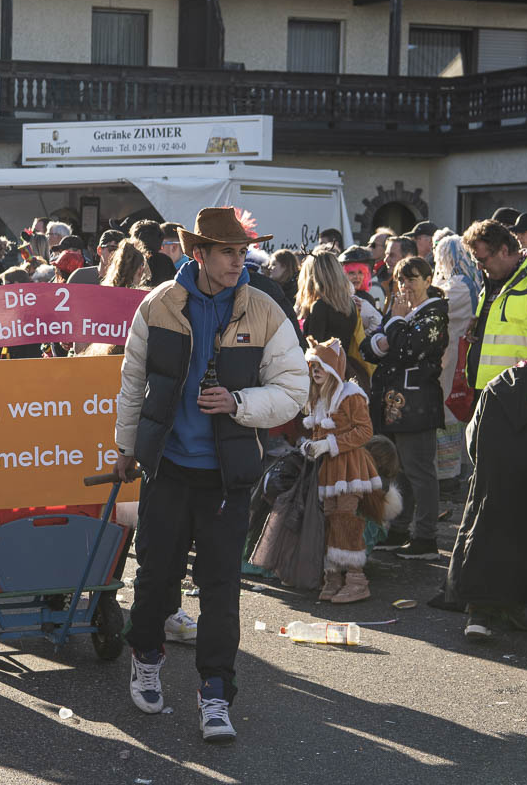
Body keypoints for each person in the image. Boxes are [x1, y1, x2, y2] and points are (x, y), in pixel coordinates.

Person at [113, 207, 308, 743]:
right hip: (169, 467)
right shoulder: (158, 304)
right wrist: (125, 448)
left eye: (242, 251)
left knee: (221, 589)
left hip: (228, 477)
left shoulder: (264, 308)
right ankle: (146, 656)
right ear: (198, 254)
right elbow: (133, 381)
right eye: (227, 252)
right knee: (155, 578)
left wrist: (239, 403)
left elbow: (295, 389)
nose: (238, 261)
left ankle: (216, 692)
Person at [443, 333, 527, 640]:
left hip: (494, 483)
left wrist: (485, 469)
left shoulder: (498, 383)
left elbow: (472, 437)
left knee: (489, 542)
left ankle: (480, 616)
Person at [360, 255, 449, 560]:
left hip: (417, 405)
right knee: (398, 471)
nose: (405, 285)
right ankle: (399, 530)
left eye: (412, 279)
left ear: (428, 280)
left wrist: (394, 328)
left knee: (420, 472)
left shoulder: (435, 313)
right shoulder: (398, 310)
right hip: (391, 406)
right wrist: (386, 340)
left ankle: (426, 538)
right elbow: (367, 348)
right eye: (400, 279)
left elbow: (410, 349)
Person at [302, 337, 383, 603]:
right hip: (329, 469)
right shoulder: (318, 398)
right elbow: (318, 433)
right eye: (312, 366)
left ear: (334, 368)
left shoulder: (351, 394)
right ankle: (333, 576)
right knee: (329, 519)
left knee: (345, 519)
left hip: (350, 468)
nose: (315, 371)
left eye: (321, 365)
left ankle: (357, 580)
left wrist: (329, 444)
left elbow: (365, 431)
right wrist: (311, 446)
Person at [462, 219, 527, 392]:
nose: (479, 267)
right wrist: (479, 327)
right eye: (476, 261)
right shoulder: (492, 279)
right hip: (487, 389)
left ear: (504, 251)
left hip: (520, 391)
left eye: (482, 260)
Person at [430, 234, 483, 494]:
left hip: (450, 357)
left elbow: (435, 305)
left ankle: (448, 473)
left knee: (449, 411)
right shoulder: (474, 282)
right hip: (459, 356)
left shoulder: (459, 286)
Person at [296, 252, 368, 387]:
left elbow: (314, 350)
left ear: (313, 276)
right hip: (344, 370)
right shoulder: (349, 304)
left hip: (323, 377)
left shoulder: (320, 306)